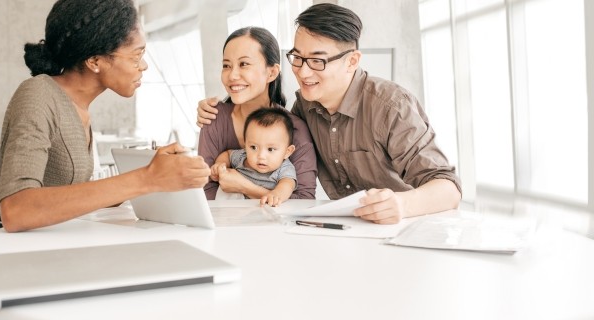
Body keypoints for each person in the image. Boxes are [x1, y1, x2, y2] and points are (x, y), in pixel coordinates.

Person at [197, 3, 462, 224]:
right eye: (297, 58)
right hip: (351, 228)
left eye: (317, 61)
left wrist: (402, 204)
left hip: (407, 226)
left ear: (352, 61)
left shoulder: (391, 106)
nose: (303, 71)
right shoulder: (304, 109)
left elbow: (449, 187)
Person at [0, 0, 210, 233]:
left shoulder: (79, 107)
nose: (144, 65)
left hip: (48, 252)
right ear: (94, 61)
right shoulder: (38, 95)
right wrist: (145, 178)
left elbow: (68, 195)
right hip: (6, 256)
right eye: (136, 56)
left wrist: (152, 177)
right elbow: (16, 209)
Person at [197, 26, 317, 201]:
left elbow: (304, 201)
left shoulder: (294, 128)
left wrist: (244, 187)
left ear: (272, 72)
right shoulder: (213, 118)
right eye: (226, 65)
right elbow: (204, 192)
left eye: (244, 64)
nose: (232, 75)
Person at [211, 107, 297, 206]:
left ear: (287, 151)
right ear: (245, 144)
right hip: (231, 208)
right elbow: (227, 154)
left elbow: (287, 185)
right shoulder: (242, 156)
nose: (261, 156)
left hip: (262, 210)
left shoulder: (284, 168)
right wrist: (220, 164)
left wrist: (276, 194)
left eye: (270, 149)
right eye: (253, 147)